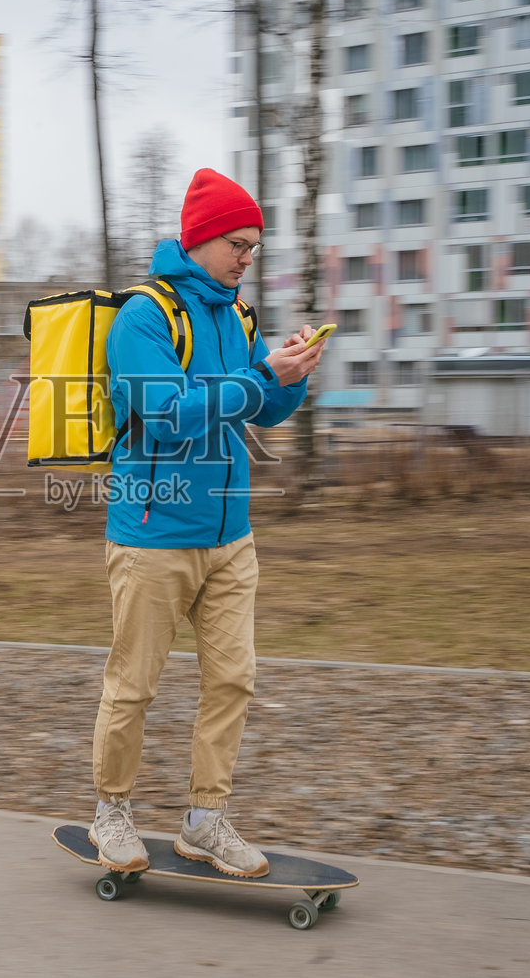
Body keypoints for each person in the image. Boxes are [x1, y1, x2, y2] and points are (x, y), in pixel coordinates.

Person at [88, 168, 325, 877]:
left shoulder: (237, 315)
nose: (248, 256)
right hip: (154, 539)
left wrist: (294, 372)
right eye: (238, 243)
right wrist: (259, 378)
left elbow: (260, 410)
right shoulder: (144, 317)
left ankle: (205, 820)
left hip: (230, 539)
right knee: (134, 684)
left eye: (254, 245)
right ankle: (111, 810)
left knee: (233, 681)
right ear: (200, 239)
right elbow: (164, 414)